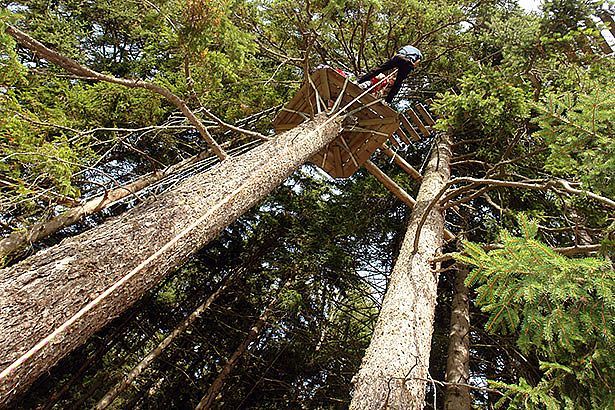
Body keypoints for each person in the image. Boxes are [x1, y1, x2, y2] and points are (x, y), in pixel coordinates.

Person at [358, 45, 423, 104]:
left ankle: (360, 81)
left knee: (379, 69)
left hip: (399, 57)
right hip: (408, 62)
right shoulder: (419, 54)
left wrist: (393, 61)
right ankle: (387, 101)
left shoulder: (407, 46)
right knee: (398, 82)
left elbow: (399, 53)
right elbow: (417, 62)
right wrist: (412, 65)